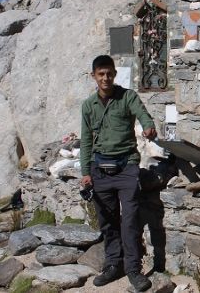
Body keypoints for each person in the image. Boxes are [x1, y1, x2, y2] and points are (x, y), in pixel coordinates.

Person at [80, 55, 156, 291]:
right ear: (94, 76)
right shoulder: (88, 105)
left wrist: (148, 125)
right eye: (101, 74)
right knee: (107, 222)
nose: (106, 78)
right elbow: (85, 141)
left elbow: (142, 113)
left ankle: (133, 269)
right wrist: (85, 173)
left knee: (131, 219)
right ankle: (114, 265)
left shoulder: (127, 97)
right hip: (100, 171)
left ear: (115, 74)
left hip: (126, 168)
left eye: (109, 73)